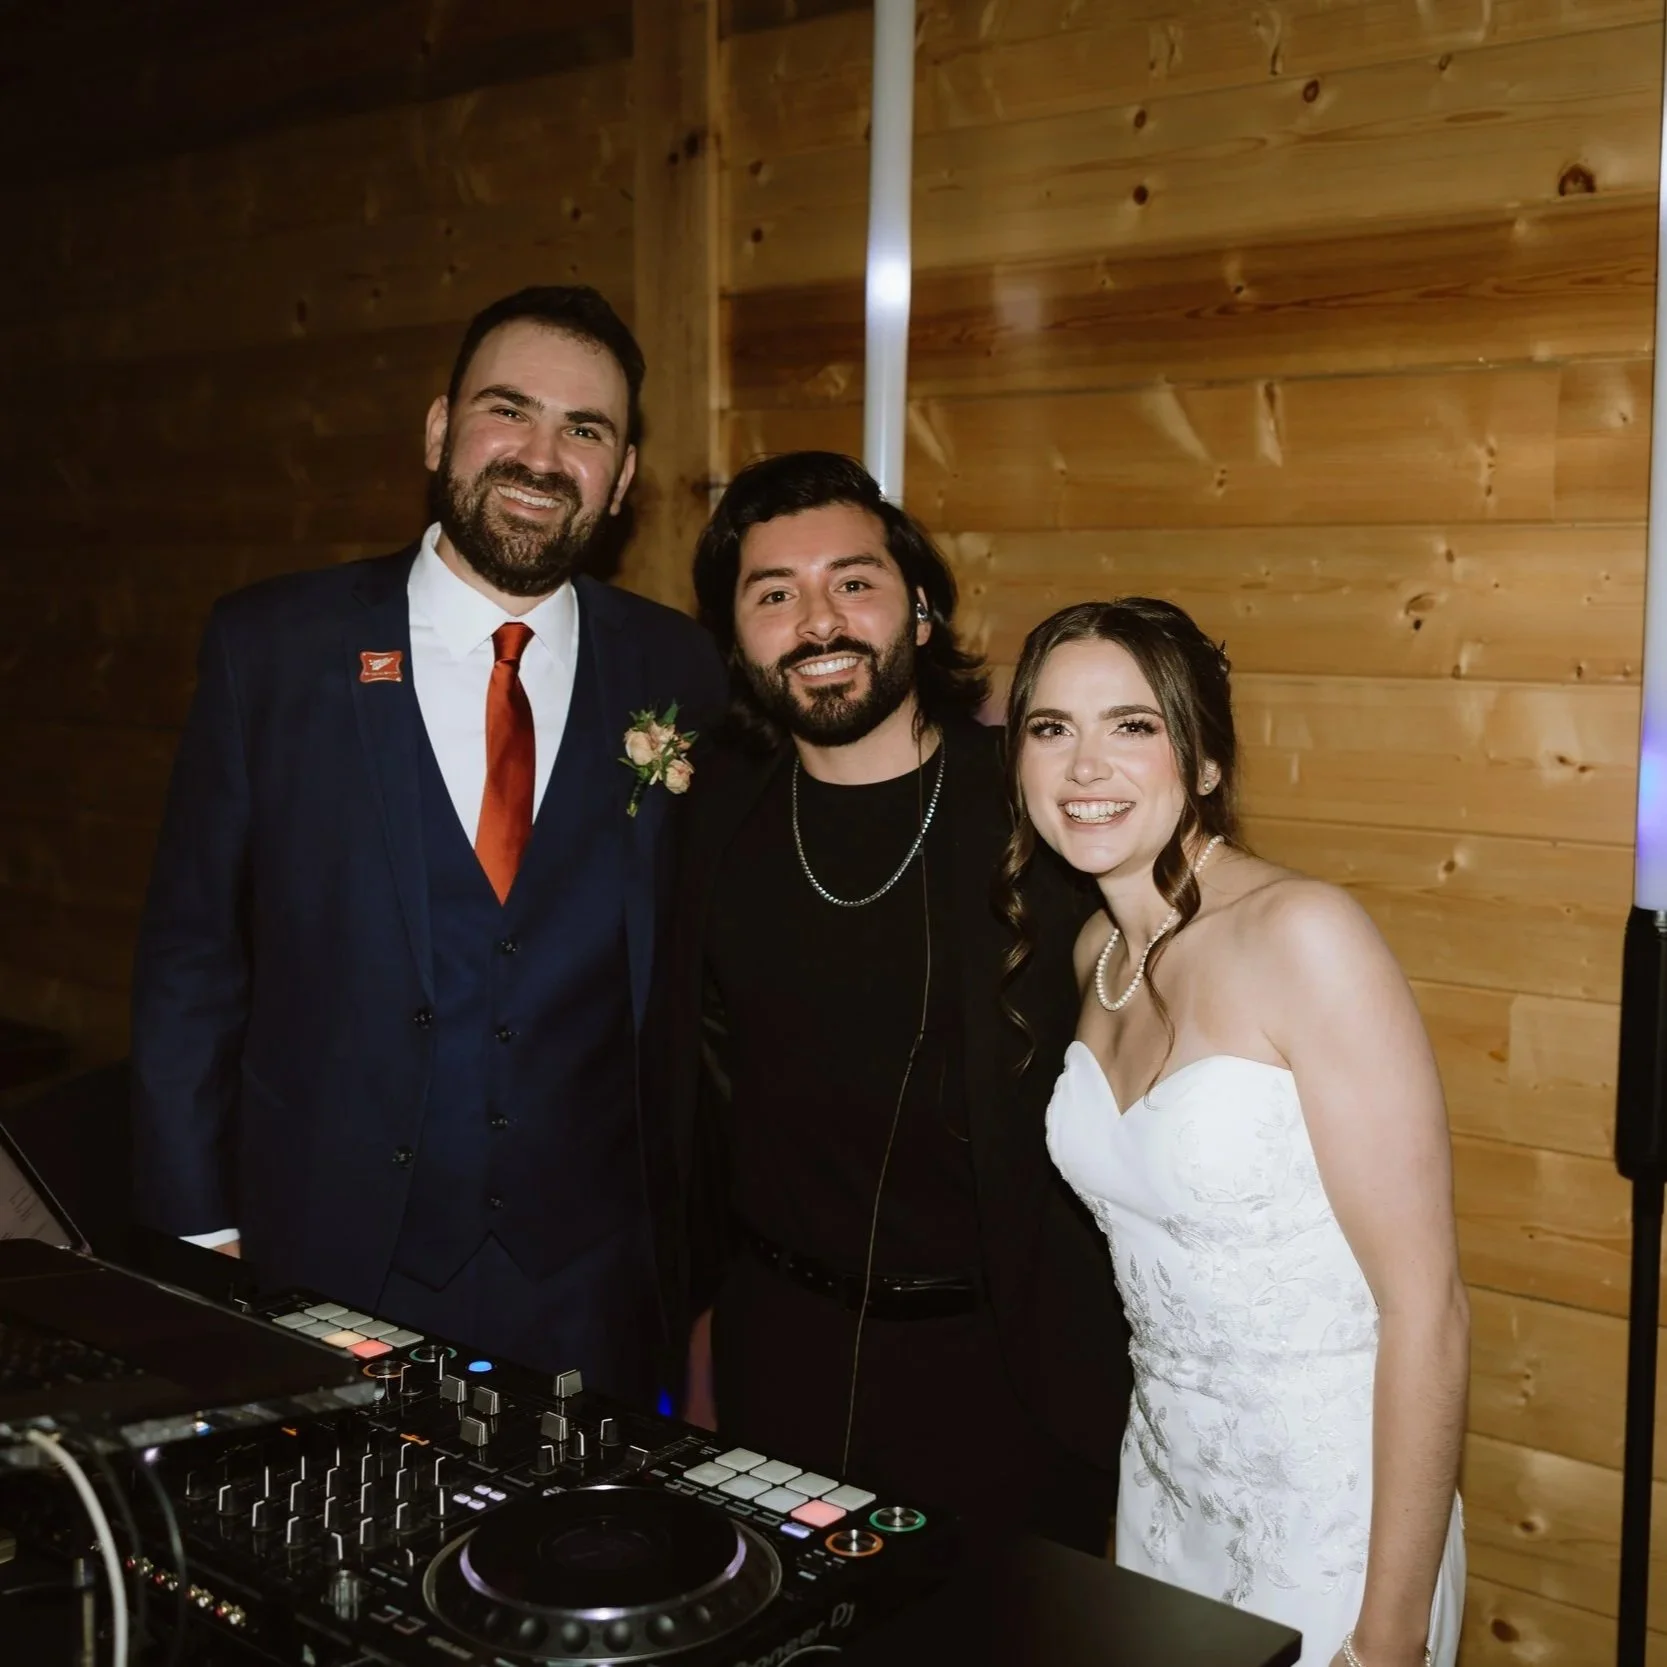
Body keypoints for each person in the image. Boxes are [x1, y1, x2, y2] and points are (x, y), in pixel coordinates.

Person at [131, 285, 726, 1402]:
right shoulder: (272, 647)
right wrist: (195, 1232)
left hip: (592, 1283)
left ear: (624, 477)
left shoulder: (677, 671)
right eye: (510, 410)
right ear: (439, 428)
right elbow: (190, 958)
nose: (542, 456)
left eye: (584, 429)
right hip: (323, 1257)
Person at [655, 451, 1129, 1554]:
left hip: (1003, 1372)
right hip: (775, 1360)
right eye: (772, 592)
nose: (816, 620)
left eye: (851, 582)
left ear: (919, 609)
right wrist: (705, 1333)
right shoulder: (712, 819)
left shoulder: (1038, 805)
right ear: (736, 635)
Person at [1005, 598, 1467, 1665]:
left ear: (1204, 761)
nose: (1084, 764)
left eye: (1131, 725)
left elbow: (1425, 1306)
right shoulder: (1092, 954)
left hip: (1332, 1518)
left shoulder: (1302, 936)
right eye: (1048, 727)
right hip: (1163, 1488)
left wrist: (1387, 1631)